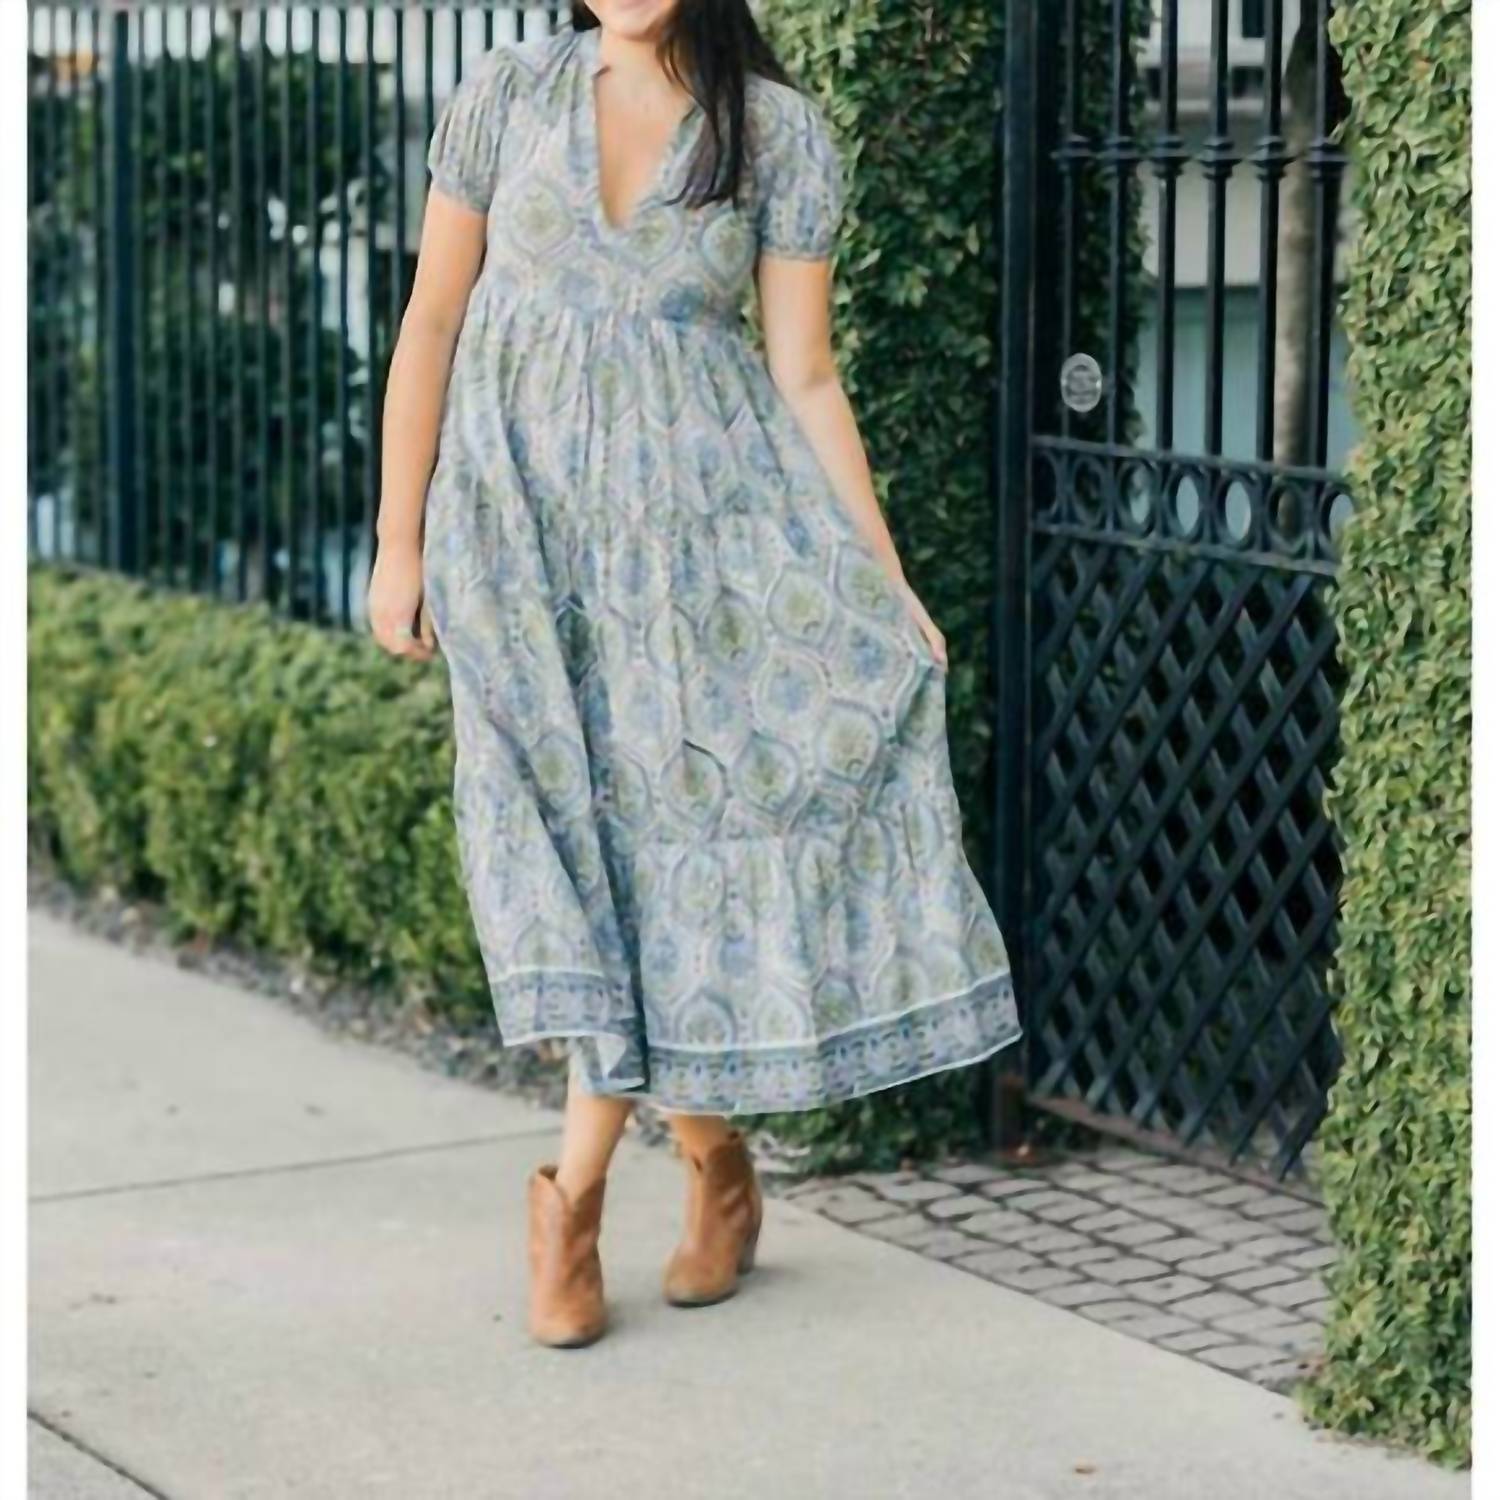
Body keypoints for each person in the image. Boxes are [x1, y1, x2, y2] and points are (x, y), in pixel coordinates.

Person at [370, 0, 1021, 1349]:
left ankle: (576, 1204)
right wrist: (398, 541)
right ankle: (713, 1162)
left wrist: (882, 573)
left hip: (703, 563)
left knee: (655, 859)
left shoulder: (776, 131)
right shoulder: (504, 94)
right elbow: (432, 321)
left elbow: (807, 376)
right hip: (517, 544)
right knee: (574, 851)